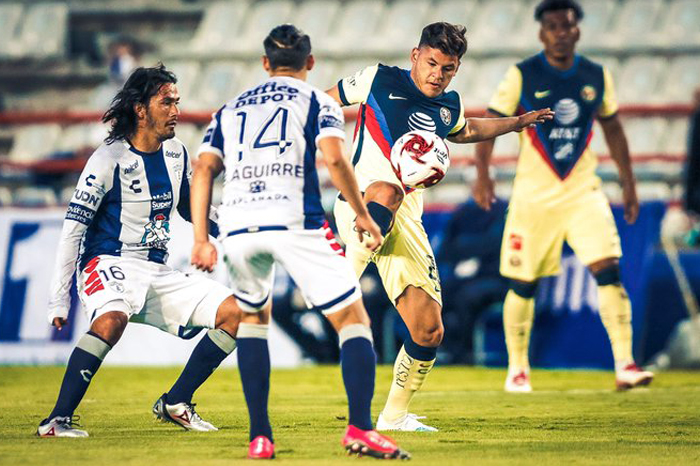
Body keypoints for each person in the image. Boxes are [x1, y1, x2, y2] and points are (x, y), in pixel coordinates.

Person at [191, 25, 409, 460]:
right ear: (310, 62)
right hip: (294, 220)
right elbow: (335, 159)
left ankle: (260, 437)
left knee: (253, 321)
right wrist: (362, 213)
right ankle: (361, 429)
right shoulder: (317, 101)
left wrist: (200, 238)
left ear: (265, 64)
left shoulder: (230, 108)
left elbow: (204, 169)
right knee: (353, 319)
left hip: (238, 226)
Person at [326, 22, 553, 431]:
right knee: (387, 190)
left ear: (456, 69)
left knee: (429, 330)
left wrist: (517, 122)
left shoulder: (448, 105)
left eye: (447, 69)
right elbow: (325, 102)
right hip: (360, 201)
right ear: (415, 55)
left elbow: (467, 130)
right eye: (431, 63)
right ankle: (340, 282)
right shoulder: (378, 79)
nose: (437, 75)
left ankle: (394, 416)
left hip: (405, 219)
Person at [37, 64, 243, 437]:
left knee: (235, 313)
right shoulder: (107, 160)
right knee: (111, 320)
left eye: (177, 102)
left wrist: (236, 230)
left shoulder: (177, 153)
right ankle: (56, 420)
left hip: (156, 271)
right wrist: (58, 300)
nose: (176, 111)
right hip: (108, 262)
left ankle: (176, 402)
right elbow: (72, 230)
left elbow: (191, 208)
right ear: (140, 109)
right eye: (167, 102)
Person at [473, 0, 654, 392]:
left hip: (583, 192)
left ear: (577, 31)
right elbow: (491, 123)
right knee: (523, 284)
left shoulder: (596, 76)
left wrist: (629, 183)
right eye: (552, 26)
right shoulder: (522, 75)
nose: (560, 32)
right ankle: (518, 368)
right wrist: (483, 175)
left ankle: (625, 364)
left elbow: (613, 128)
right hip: (533, 198)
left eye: (566, 25)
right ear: (542, 33)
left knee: (608, 269)